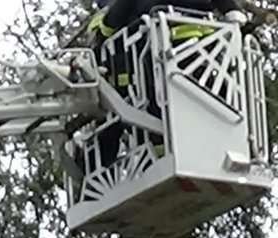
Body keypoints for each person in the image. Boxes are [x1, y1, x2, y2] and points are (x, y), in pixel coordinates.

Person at [80, 0, 246, 165]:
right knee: (210, 95)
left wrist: (105, 29)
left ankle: (162, 152)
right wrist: (232, 11)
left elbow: (112, 21)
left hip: (162, 47)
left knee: (150, 103)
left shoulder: (113, 13)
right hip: (193, 47)